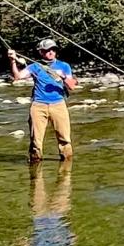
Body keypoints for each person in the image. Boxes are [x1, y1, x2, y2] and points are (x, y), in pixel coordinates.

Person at [9, 36, 78, 165]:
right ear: (41, 52)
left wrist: (62, 76)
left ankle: (67, 171)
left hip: (58, 104)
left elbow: (72, 86)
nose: (51, 52)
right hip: (38, 106)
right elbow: (17, 77)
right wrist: (13, 61)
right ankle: (35, 174)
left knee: (65, 140)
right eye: (47, 50)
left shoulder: (64, 66)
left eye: (53, 49)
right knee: (36, 142)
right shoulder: (35, 67)